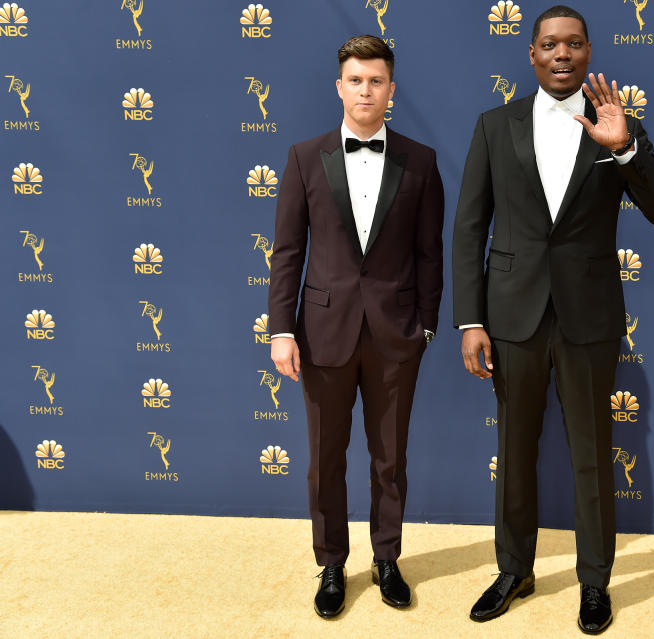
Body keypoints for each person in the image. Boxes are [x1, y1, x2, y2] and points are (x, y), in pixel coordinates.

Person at [452, 5, 654, 634]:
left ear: (588, 52)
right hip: (511, 315)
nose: (562, 54)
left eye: (574, 44)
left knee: (591, 452)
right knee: (514, 448)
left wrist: (627, 149)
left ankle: (594, 582)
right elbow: (470, 226)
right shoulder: (493, 125)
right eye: (549, 44)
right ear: (531, 55)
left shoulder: (619, 125)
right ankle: (514, 570)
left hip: (589, 314)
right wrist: (470, 319)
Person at [268, 34, 444, 619]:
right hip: (321, 332)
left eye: (376, 80)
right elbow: (287, 251)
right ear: (338, 86)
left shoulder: (421, 161)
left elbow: (429, 253)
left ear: (391, 89)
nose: (365, 90)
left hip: (397, 333)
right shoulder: (302, 157)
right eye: (355, 79)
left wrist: (427, 326)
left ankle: (387, 557)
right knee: (326, 456)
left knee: (390, 456)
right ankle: (332, 562)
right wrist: (281, 329)